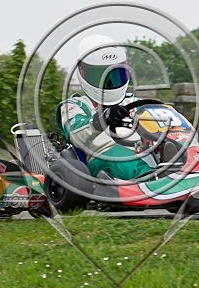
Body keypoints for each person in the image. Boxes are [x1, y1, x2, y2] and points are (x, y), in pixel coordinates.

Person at [55, 35, 156, 180]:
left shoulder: (132, 101)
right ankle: (152, 182)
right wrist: (101, 120)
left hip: (142, 152)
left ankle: (193, 172)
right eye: (100, 76)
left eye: (115, 74)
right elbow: (75, 133)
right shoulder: (75, 105)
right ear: (83, 72)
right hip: (103, 157)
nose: (110, 82)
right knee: (122, 159)